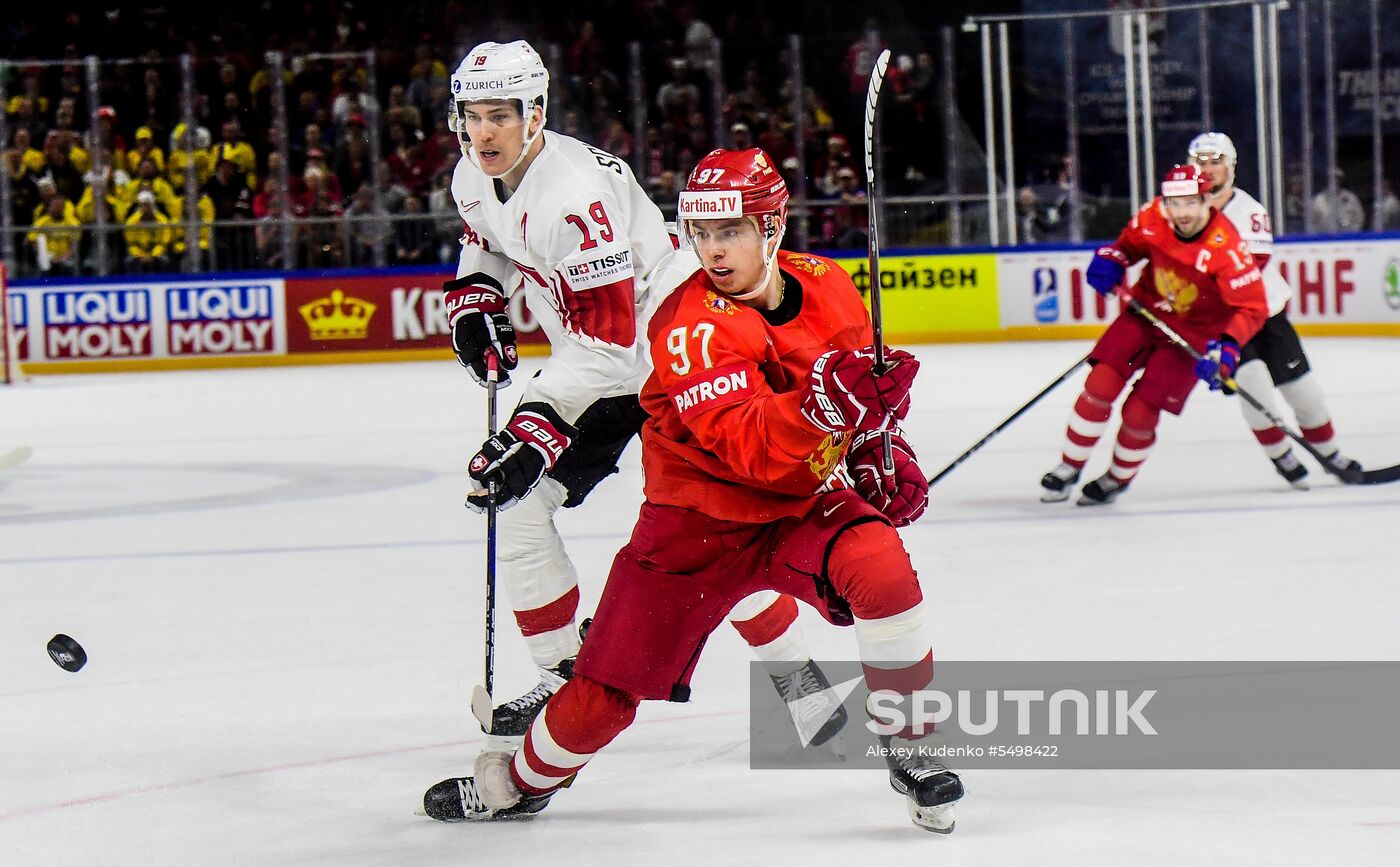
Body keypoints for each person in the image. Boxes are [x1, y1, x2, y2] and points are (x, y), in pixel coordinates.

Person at [423, 147, 963, 832]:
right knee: (601, 699)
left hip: (794, 512)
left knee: (880, 562)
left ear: (773, 227)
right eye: (699, 234)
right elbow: (756, 451)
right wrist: (829, 410)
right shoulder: (688, 326)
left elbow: (850, 402)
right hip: (691, 534)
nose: (711, 250)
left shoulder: (831, 286)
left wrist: (875, 448)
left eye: (729, 231)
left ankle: (912, 746)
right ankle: (519, 782)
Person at [434, 41, 835, 762]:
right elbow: (484, 235)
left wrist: (536, 426)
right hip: (612, 362)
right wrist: (477, 294)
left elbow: (611, 345)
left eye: (500, 115)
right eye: (472, 116)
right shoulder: (474, 170)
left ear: (537, 114)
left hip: (673, 361)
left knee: (715, 535)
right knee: (523, 510)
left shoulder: (572, 198)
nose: (483, 132)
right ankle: (567, 676)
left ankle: (803, 686)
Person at [1040, 164, 1269, 505]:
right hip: (1144, 315)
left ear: (1207, 202)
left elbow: (1253, 307)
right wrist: (1112, 259)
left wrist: (1227, 350)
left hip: (1192, 336)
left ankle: (1117, 477)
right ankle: (1069, 466)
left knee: (1140, 412)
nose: (1181, 213)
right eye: (1174, 205)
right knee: (1100, 384)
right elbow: (1127, 247)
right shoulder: (1153, 217)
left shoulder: (1226, 248)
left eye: (1190, 203)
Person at [1188, 132, 1363, 486]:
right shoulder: (1178, 210)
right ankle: (1280, 456)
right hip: (1221, 321)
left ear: (1231, 166)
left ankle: (1330, 454)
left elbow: (1251, 265)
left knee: (1303, 391)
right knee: (1254, 390)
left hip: (1264, 314)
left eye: (1216, 162)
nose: (1209, 170)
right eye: (1201, 162)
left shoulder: (1248, 211)